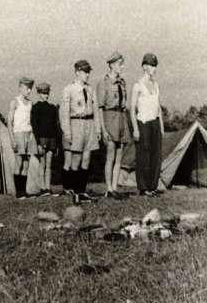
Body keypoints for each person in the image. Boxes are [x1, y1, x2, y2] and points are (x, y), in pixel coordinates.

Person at [60, 60, 101, 204]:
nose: (88, 75)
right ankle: (75, 191)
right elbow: (64, 112)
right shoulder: (69, 89)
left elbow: (95, 109)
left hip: (89, 123)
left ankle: (82, 191)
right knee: (75, 159)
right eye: (85, 72)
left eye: (89, 72)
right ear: (77, 72)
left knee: (87, 158)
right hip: (75, 122)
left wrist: (97, 128)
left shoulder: (90, 89)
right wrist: (67, 131)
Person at [97, 51, 131, 200]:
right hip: (109, 118)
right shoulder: (103, 83)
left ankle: (115, 187)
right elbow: (99, 108)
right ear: (111, 65)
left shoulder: (122, 83)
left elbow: (124, 104)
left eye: (122, 64)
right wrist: (103, 129)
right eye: (119, 64)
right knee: (110, 154)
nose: (121, 67)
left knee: (119, 156)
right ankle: (109, 188)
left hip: (121, 118)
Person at [130, 53, 164, 197]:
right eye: (151, 65)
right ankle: (143, 188)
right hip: (142, 123)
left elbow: (158, 107)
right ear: (144, 67)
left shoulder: (156, 85)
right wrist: (135, 129)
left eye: (155, 65)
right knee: (144, 156)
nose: (154, 68)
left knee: (156, 156)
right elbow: (132, 109)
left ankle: (152, 186)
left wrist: (161, 126)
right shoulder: (138, 85)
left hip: (155, 123)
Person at [8, 77, 37, 199]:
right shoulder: (14, 102)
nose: (29, 91)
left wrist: (32, 135)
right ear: (20, 87)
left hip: (29, 133)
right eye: (27, 88)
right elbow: (9, 122)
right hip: (18, 133)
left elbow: (31, 121)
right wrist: (12, 139)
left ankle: (23, 191)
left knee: (26, 163)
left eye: (30, 88)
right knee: (19, 162)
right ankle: (18, 192)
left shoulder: (30, 103)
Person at [30, 82, 59, 196]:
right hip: (41, 138)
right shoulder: (35, 107)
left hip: (52, 139)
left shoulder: (52, 108)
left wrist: (56, 143)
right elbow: (34, 126)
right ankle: (42, 187)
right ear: (38, 93)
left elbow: (56, 126)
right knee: (42, 163)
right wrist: (37, 142)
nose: (46, 95)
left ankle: (48, 187)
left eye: (47, 93)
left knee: (49, 164)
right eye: (43, 93)